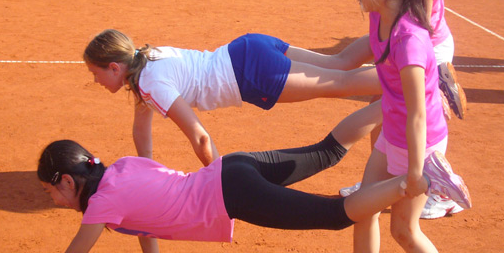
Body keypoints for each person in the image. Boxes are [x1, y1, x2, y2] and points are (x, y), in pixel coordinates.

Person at [0, 102, 470, 253]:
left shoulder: (100, 206)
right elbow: (145, 217)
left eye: (48, 190)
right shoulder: (119, 170)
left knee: (335, 214)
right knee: (325, 152)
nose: (50, 199)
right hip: (231, 166)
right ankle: (389, 100)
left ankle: (423, 182)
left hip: (230, 193)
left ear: (67, 183)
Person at [316, 0, 472, 253]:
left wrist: (417, 172)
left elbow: (419, 113)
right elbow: (354, 60)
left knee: (404, 230)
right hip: (396, 134)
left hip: (417, 143)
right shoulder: (379, 18)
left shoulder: (409, 39)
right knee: (363, 207)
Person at [84, 30, 381, 167]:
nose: (95, 81)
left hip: (251, 74)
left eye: (95, 73)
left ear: (114, 67)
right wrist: (145, 168)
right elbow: (141, 124)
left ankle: (419, 76)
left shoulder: (149, 83)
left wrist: (219, 184)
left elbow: (200, 138)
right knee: (339, 63)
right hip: (249, 47)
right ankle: (395, 34)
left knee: (340, 83)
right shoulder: (144, 60)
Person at [341, 0, 467, 219]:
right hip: (407, 42)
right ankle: (380, 179)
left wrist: (431, 76)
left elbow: (416, 29)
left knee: (410, 110)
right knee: (382, 105)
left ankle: (439, 189)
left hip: (426, 48)